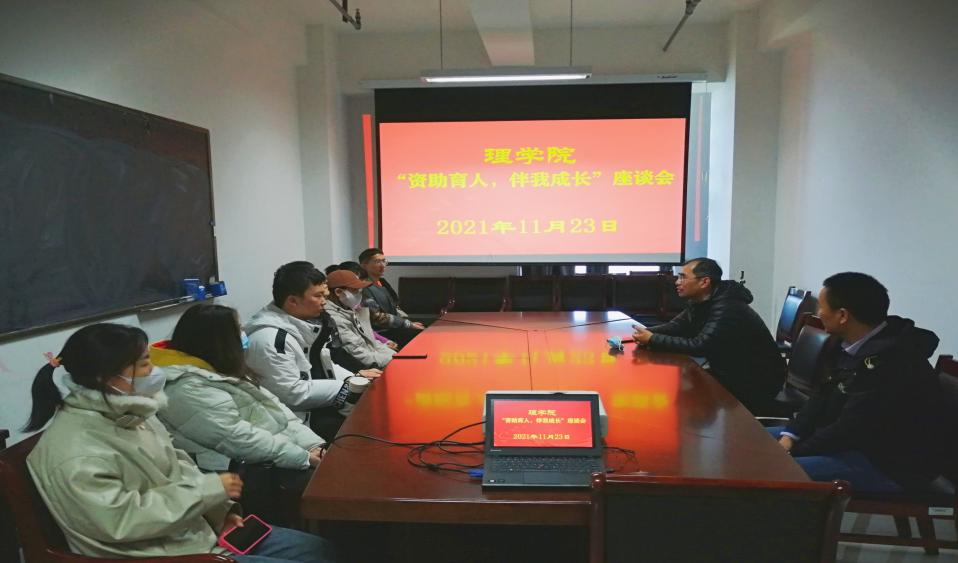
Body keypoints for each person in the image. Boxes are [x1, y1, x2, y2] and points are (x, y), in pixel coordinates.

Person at [23, 323, 340, 562]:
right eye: (144, 364)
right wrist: (209, 491)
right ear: (106, 377)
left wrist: (220, 512)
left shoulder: (132, 413)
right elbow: (120, 520)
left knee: (317, 549)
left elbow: (180, 467)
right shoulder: (75, 450)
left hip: (192, 532)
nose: (154, 371)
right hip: (161, 553)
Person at [768, 273, 948, 492]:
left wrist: (790, 453)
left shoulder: (891, 362)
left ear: (843, 315)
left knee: (766, 468)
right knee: (752, 443)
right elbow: (820, 396)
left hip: (887, 464)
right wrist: (790, 436)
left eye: (822, 307)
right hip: (850, 443)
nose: (818, 313)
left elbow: (850, 429)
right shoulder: (850, 345)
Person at [151, 303, 326, 525]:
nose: (244, 334)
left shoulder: (219, 369)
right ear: (218, 340)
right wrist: (302, 457)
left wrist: (312, 445)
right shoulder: (185, 387)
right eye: (238, 329)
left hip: (269, 456)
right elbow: (237, 437)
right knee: (323, 487)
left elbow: (278, 412)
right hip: (235, 472)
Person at [244, 261, 381, 438]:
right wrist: (344, 387)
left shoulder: (303, 324)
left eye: (325, 295)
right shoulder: (270, 339)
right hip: (295, 422)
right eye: (318, 296)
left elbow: (322, 362)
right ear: (292, 301)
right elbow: (291, 394)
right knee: (367, 431)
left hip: (315, 409)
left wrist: (353, 379)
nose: (325, 302)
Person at [632, 258, 784, 413]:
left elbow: (699, 346)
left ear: (704, 282)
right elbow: (676, 326)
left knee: (685, 394)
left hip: (755, 379)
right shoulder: (701, 301)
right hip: (730, 370)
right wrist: (645, 332)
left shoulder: (727, 306)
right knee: (680, 387)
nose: (677, 282)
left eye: (683, 277)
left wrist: (652, 339)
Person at [324, 269, 396, 370]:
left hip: (375, 360)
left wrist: (396, 356)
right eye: (355, 290)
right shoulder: (335, 319)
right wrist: (394, 361)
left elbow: (371, 343)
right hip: (365, 369)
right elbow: (357, 353)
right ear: (339, 292)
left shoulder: (349, 309)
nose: (359, 294)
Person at [358, 247, 424, 347]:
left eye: (384, 261)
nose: (383, 265)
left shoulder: (382, 282)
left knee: (426, 328)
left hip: (395, 326)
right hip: (381, 332)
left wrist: (407, 322)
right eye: (377, 261)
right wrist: (406, 324)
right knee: (421, 334)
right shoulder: (363, 287)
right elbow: (376, 317)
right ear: (364, 265)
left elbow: (395, 305)